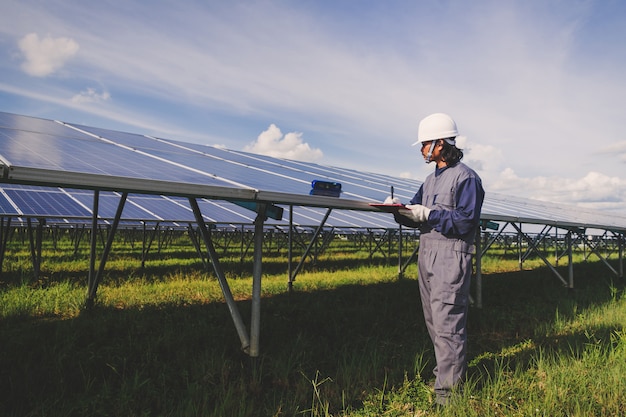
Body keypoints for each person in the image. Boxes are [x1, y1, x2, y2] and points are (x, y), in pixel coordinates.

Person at [388, 112, 484, 406]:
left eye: (425, 143)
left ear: (440, 143)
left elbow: (467, 221)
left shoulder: (467, 178)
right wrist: (397, 210)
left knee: (448, 324)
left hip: (450, 257)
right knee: (433, 322)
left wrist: (429, 214)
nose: (421, 149)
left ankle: (449, 397)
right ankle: (444, 377)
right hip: (428, 254)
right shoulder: (430, 181)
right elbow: (416, 216)